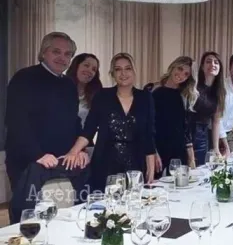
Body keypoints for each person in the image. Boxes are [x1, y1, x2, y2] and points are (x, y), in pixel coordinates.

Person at [5, 32, 89, 223]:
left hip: (61, 164)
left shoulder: (69, 84)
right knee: (28, 221)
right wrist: (38, 155)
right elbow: (16, 121)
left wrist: (80, 150)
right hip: (28, 162)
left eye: (68, 54)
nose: (62, 58)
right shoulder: (24, 78)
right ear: (43, 53)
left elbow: (74, 122)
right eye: (56, 51)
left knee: (63, 217)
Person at [65, 53, 156, 191]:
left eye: (128, 68)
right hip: (105, 163)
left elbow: (148, 134)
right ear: (112, 73)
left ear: (134, 71)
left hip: (136, 165)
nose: (123, 73)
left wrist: (151, 166)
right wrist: (73, 152)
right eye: (118, 69)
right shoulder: (102, 95)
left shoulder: (145, 97)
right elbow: (89, 129)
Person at [151, 56, 198, 171]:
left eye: (186, 74)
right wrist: (153, 152)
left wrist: (191, 158)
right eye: (180, 69)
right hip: (158, 148)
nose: (181, 75)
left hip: (179, 150)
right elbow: (147, 125)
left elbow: (186, 129)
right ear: (173, 67)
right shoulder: (152, 90)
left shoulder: (185, 96)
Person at [189, 51, 227, 165]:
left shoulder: (220, 92)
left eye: (216, 62)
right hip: (187, 133)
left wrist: (216, 149)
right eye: (208, 62)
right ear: (202, 66)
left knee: (200, 169)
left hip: (202, 136)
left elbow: (216, 122)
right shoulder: (193, 86)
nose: (213, 65)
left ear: (220, 67)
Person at [66, 53, 102, 127]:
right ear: (76, 66)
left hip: (84, 137)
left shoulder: (96, 95)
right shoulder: (61, 89)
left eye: (94, 69)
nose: (89, 71)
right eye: (86, 65)